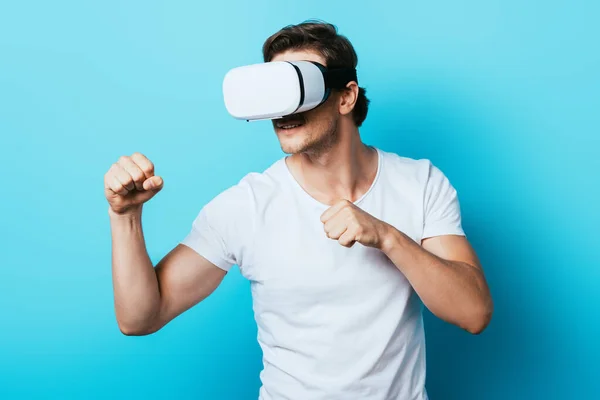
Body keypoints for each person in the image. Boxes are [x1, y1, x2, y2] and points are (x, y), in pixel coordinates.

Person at [104, 21, 493, 400]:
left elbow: (473, 313)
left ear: (346, 96)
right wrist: (125, 218)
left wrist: (388, 237)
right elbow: (140, 318)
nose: (283, 111)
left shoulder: (420, 183)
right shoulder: (246, 206)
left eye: (298, 87)